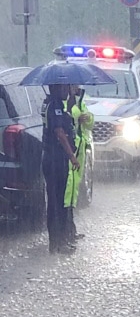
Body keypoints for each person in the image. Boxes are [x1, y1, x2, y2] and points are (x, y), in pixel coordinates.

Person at [41, 83, 80, 253]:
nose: (68, 90)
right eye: (65, 88)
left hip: (52, 158)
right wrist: (72, 156)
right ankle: (57, 242)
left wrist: (71, 102)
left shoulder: (51, 103)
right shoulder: (55, 105)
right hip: (55, 159)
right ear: (57, 88)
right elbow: (59, 132)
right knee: (57, 201)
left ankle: (58, 241)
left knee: (56, 200)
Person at [63, 87, 92, 241]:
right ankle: (66, 232)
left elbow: (89, 124)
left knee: (73, 192)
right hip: (70, 153)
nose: (77, 87)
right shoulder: (63, 102)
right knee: (66, 193)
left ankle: (71, 230)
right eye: (73, 84)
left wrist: (87, 118)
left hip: (79, 152)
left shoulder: (80, 100)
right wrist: (76, 117)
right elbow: (64, 124)